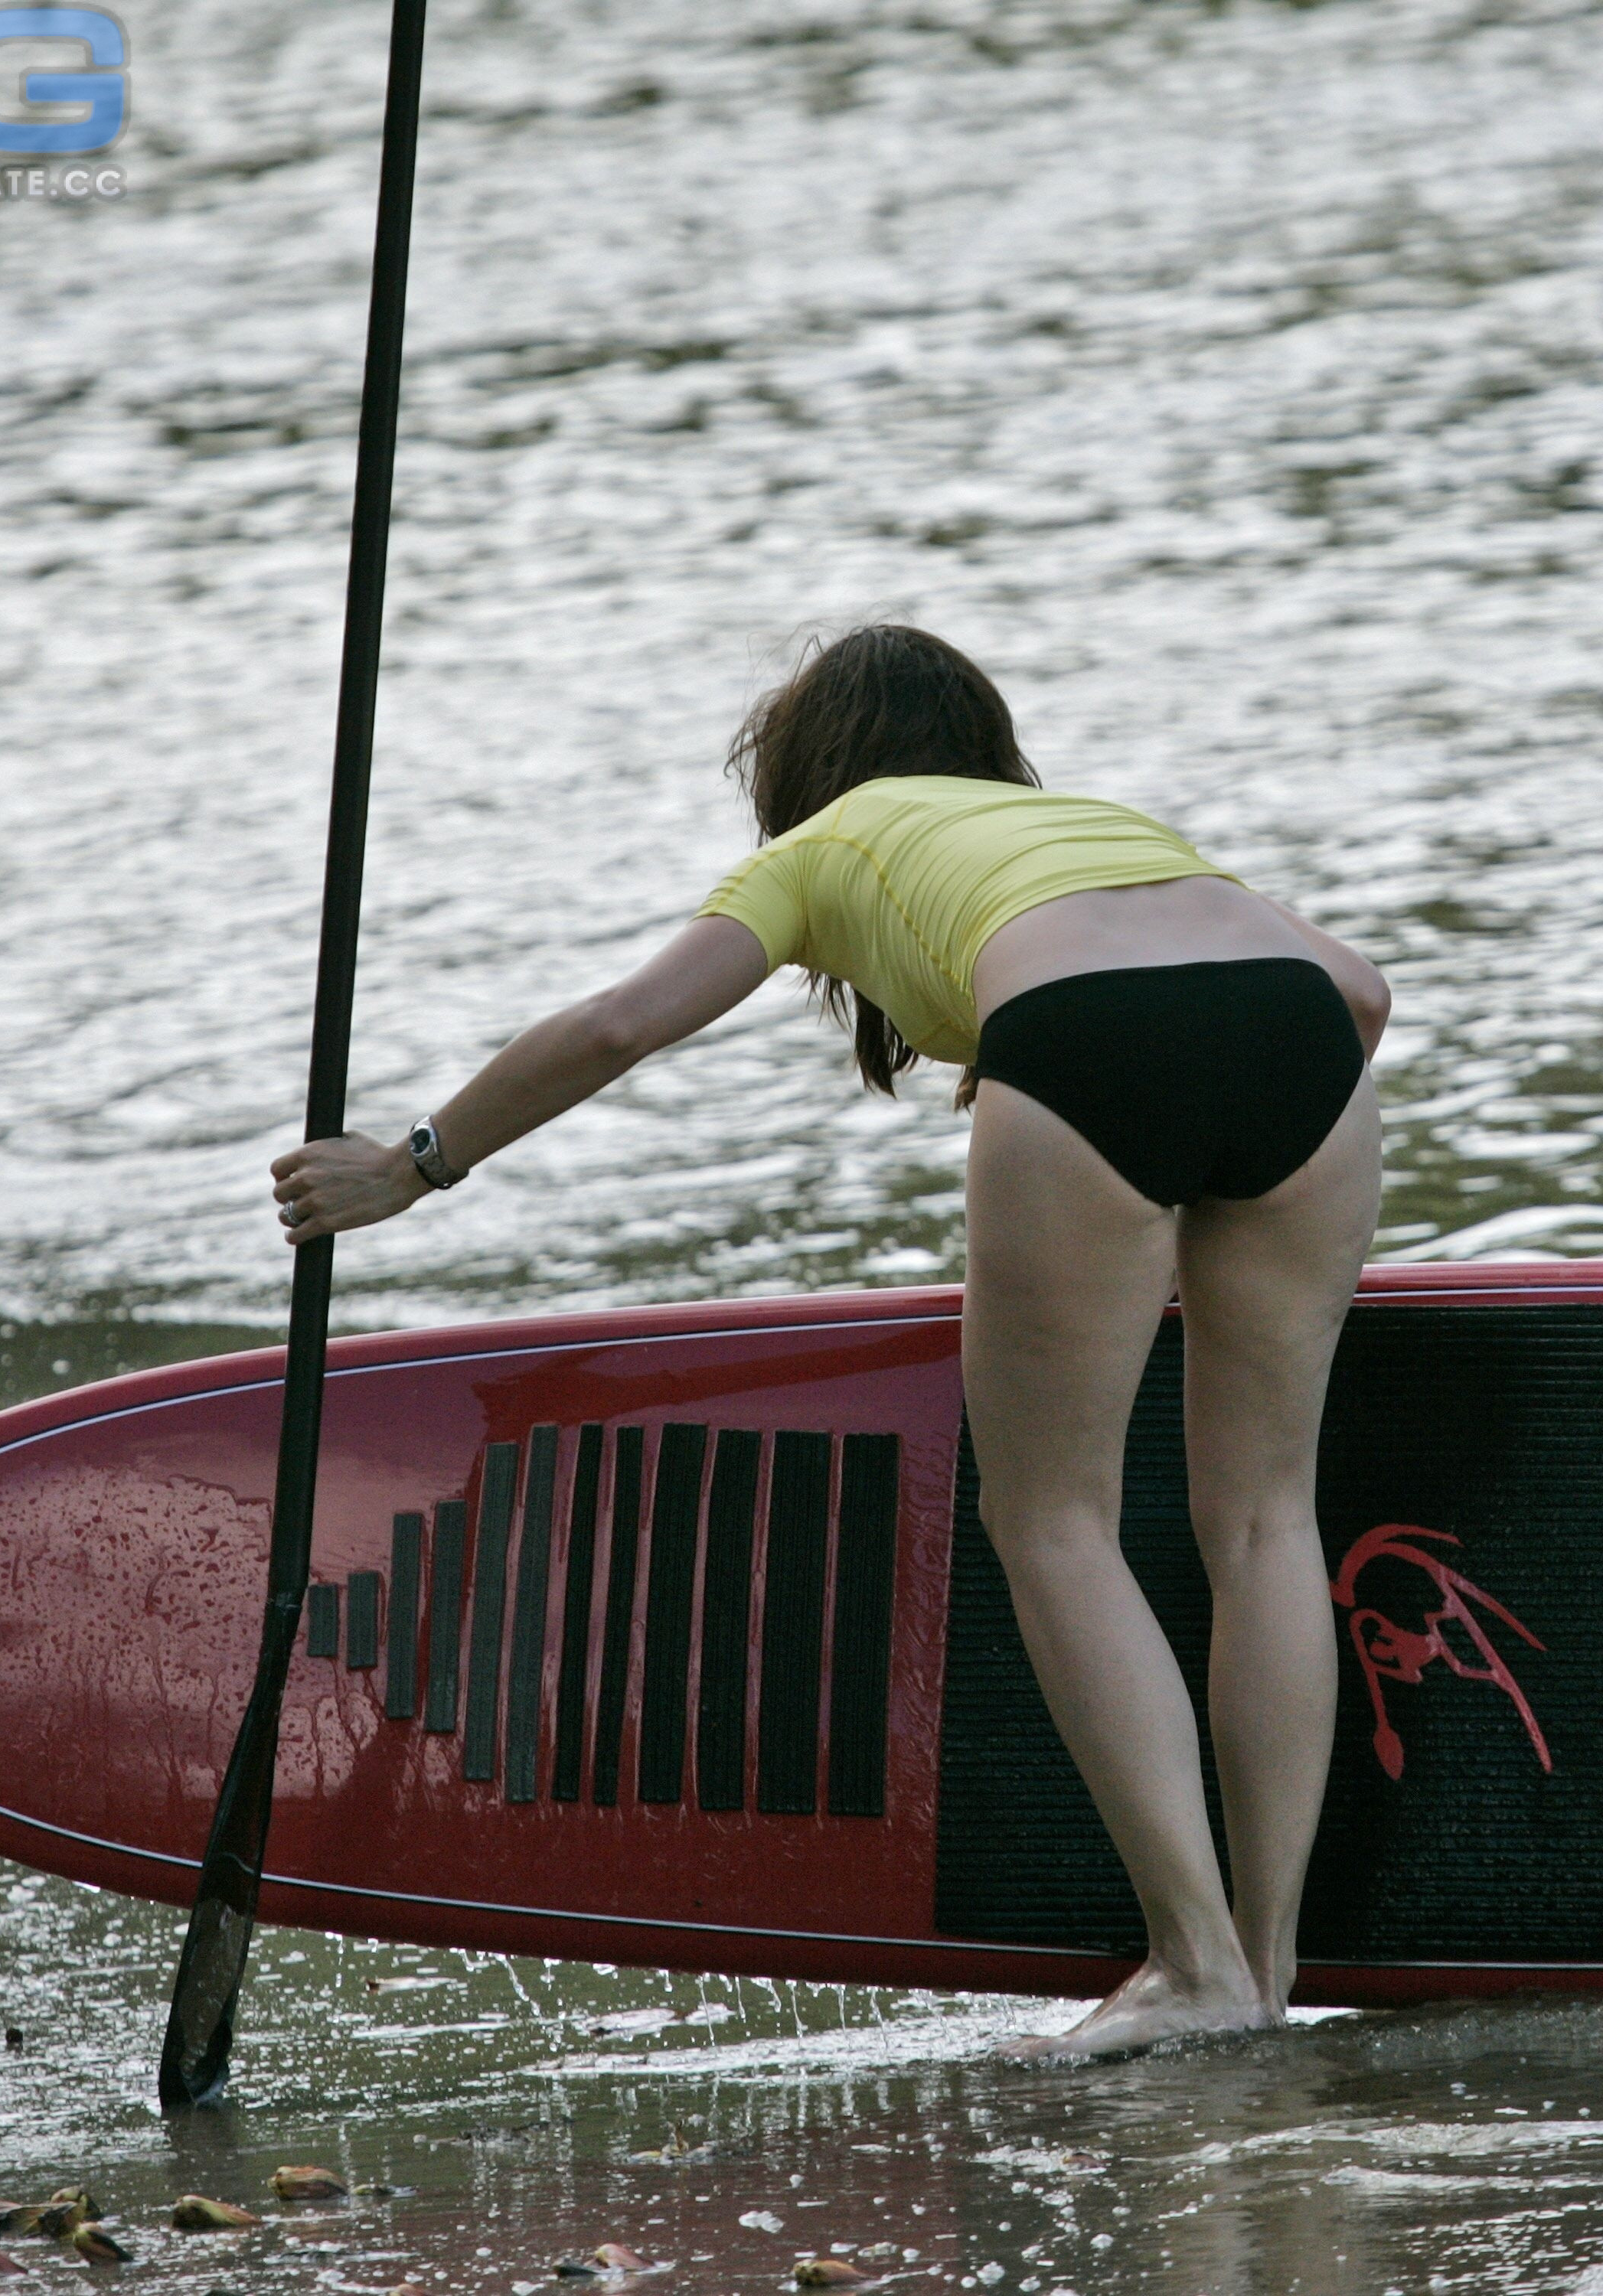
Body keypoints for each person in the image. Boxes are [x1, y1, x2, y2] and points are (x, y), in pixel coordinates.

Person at [272, 625, 1389, 2059]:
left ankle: (1195, 1961)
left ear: (811, 771)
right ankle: (1274, 1968)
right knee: (1262, 1514)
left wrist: (413, 1165)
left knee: (1052, 1516)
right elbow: (1359, 992)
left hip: (1087, 1043)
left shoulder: (831, 840)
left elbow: (622, 1025)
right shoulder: (1094, 826)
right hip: (1299, 1042)